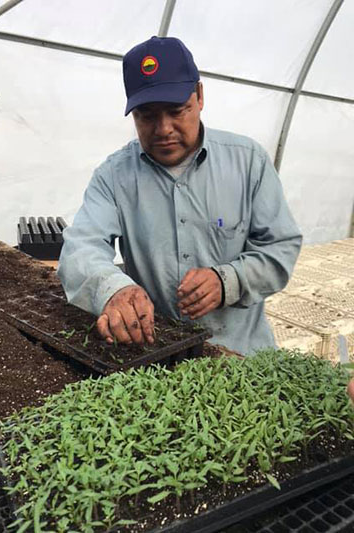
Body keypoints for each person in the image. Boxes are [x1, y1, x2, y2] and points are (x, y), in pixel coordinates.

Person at [58, 36, 302, 355]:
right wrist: (112, 289)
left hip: (242, 356)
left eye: (176, 110)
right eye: (146, 115)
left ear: (199, 96)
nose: (163, 129)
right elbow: (80, 247)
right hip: (157, 354)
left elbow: (281, 247)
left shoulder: (248, 162)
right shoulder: (114, 176)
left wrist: (227, 280)